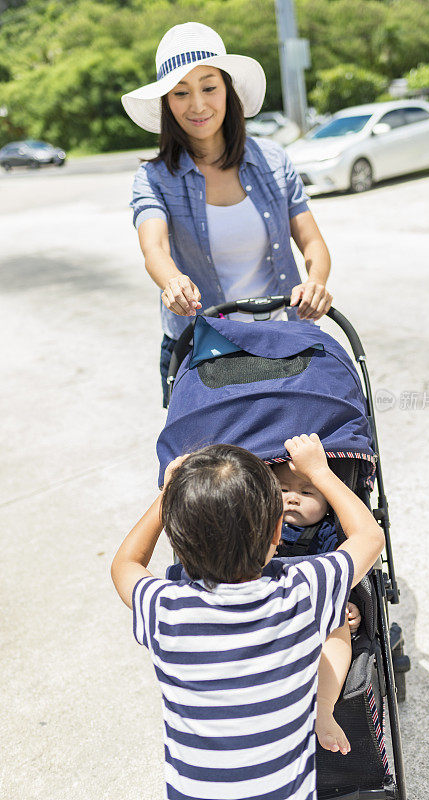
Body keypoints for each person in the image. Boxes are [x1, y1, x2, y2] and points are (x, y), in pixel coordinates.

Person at [111, 434, 384, 800]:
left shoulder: (165, 609)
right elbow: (369, 535)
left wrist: (167, 495)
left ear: (175, 542)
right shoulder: (303, 591)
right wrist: (320, 472)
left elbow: (125, 564)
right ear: (277, 532)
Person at [121, 22, 333, 406]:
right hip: (204, 349)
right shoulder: (153, 178)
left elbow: (312, 240)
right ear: (167, 103)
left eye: (208, 87)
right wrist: (172, 282)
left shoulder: (272, 160)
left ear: (228, 89)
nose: (197, 105)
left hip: (282, 341)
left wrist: (315, 281)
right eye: (181, 92)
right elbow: (154, 249)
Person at [272, 459, 363, 752]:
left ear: (328, 505)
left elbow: (345, 574)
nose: (292, 498)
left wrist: (346, 604)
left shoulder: (327, 534)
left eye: (308, 493)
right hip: (268, 608)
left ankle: (323, 707)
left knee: (337, 625)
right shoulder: (254, 523)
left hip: (313, 609)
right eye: (282, 489)